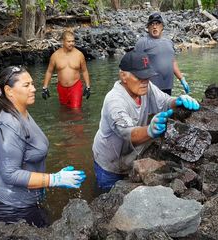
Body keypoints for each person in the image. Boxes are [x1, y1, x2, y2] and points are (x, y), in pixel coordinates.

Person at [0, 66, 86, 227]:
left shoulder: (21, 111)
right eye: (26, 85)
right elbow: (10, 174)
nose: (34, 89)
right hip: (7, 204)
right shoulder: (9, 125)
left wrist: (42, 183)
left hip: (25, 197)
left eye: (32, 83)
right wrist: (54, 179)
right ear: (9, 91)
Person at [92, 50, 200, 190]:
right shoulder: (114, 101)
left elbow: (165, 102)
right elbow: (130, 134)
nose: (145, 81)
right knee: (106, 196)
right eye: (140, 77)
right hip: (109, 162)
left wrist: (178, 101)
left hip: (131, 156)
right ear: (123, 76)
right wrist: (150, 130)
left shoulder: (146, 87)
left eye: (147, 77)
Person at [134, 12, 190, 95]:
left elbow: (173, 62)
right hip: (150, 89)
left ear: (162, 26)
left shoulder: (169, 42)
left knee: (166, 106)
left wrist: (182, 79)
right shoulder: (142, 43)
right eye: (151, 24)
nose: (154, 26)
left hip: (167, 87)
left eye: (157, 23)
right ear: (148, 28)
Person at [41, 31, 91, 108]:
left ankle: (78, 120)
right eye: (69, 41)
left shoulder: (79, 55)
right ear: (63, 41)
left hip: (75, 86)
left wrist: (88, 86)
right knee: (64, 109)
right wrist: (45, 87)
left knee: (76, 109)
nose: (71, 43)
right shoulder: (55, 56)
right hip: (61, 87)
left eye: (73, 41)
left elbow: (84, 71)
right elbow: (49, 71)